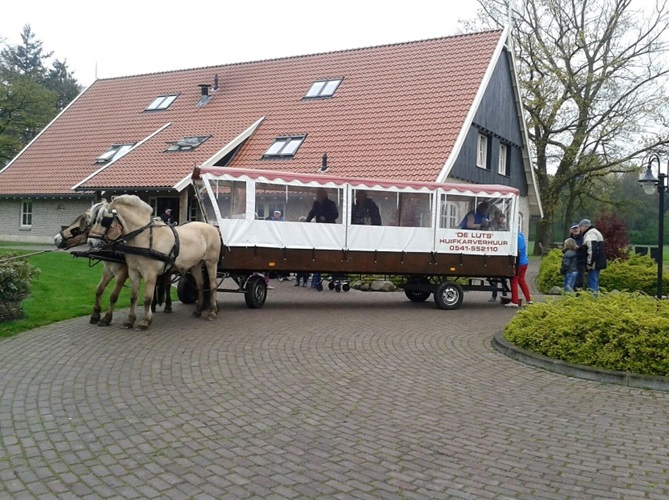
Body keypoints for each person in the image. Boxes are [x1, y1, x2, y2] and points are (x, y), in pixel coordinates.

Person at [505, 230, 534, 308]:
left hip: (518, 263)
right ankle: (529, 299)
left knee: (514, 280)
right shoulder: (520, 235)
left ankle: (515, 301)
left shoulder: (514, 237)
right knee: (521, 280)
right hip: (525, 261)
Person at [579, 218, 607, 295]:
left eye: (580, 227)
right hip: (598, 261)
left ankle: (593, 299)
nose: (580, 229)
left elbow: (592, 249)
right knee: (594, 280)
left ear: (584, 226)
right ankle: (594, 297)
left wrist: (589, 263)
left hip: (594, 263)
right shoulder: (595, 232)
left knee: (592, 281)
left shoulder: (590, 234)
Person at [488, 209, 509, 302]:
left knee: (502, 275)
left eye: (502, 218)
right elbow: (493, 234)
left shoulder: (504, 224)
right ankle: (494, 295)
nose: (502, 219)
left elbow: (506, 234)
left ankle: (504, 294)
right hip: (494, 250)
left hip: (502, 250)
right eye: (500, 217)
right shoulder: (492, 223)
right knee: (494, 275)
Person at [570, 223, 586, 290]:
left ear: (579, 229)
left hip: (580, 262)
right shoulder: (569, 239)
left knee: (580, 279)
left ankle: (579, 294)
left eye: (577, 228)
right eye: (574, 228)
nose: (576, 229)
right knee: (571, 279)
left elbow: (586, 248)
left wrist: (579, 247)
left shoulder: (583, 238)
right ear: (571, 230)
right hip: (571, 263)